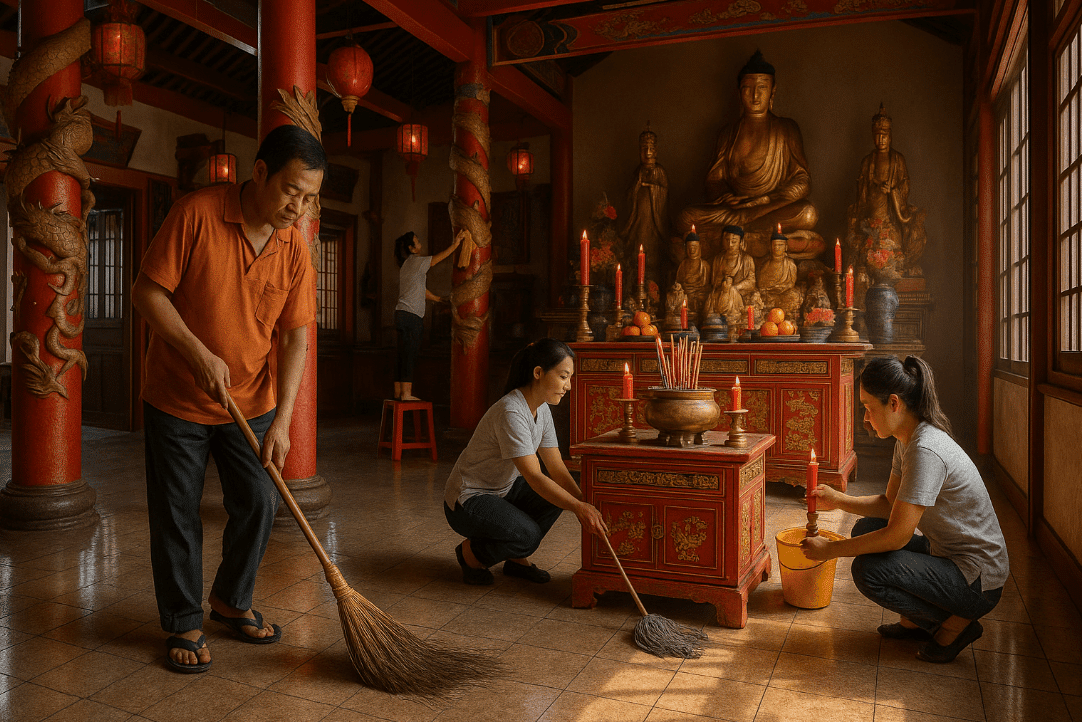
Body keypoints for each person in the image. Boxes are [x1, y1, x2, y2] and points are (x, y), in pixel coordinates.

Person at [132, 124, 326, 673]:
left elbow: (294, 336)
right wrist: (197, 353)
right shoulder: (196, 213)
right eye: (293, 190)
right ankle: (184, 621)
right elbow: (147, 292)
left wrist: (284, 420)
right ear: (259, 172)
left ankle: (230, 600)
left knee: (261, 501)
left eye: (310, 197)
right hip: (178, 396)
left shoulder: (295, 246)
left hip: (254, 400)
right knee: (177, 513)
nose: (299, 207)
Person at [802, 356, 1009, 664]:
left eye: (869, 407)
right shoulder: (908, 439)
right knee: (865, 528)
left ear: (894, 403)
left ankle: (953, 627)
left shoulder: (926, 449)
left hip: (977, 580)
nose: (865, 419)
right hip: (947, 554)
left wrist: (830, 550)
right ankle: (914, 624)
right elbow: (889, 505)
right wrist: (838, 499)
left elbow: (898, 536)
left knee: (868, 571)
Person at [444, 339, 608, 585]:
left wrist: (585, 504)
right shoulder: (512, 411)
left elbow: (556, 469)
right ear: (538, 373)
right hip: (468, 501)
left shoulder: (541, 409)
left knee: (560, 495)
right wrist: (578, 507)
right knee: (527, 536)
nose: (569, 386)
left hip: (503, 490)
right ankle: (471, 555)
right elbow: (535, 476)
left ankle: (516, 559)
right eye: (564, 376)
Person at [676, 50, 824, 260]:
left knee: (808, 214)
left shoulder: (786, 129)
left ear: (773, 92)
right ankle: (764, 240)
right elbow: (714, 179)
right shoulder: (728, 133)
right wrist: (725, 194)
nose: (755, 96)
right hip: (734, 211)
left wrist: (765, 200)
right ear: (739, 92)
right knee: (686, 217)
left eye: (762, 88)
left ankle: (737, 237)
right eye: (748, 89)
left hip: (768, 209)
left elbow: (802, 181)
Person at [393, 230, 461, 401]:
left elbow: (418, 290)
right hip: (412, 316)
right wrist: (456, 244)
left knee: (402, 354)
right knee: (410, 354)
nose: (420, 242)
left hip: (400, 314)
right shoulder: (417, 262)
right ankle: (406, 394)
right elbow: (438, 258)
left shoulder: (406, 265)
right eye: (417, 241)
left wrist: (438, 299)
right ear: (412, 248)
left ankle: (398, 392)